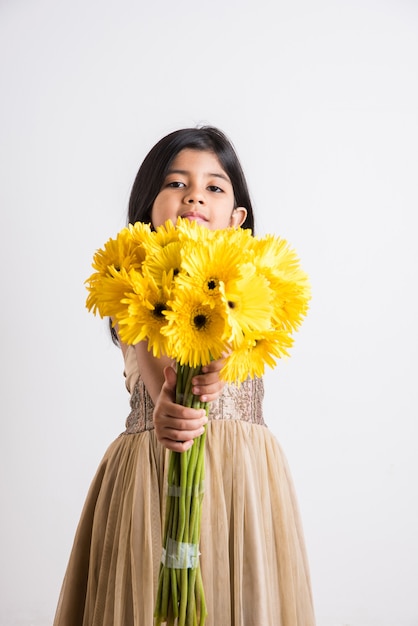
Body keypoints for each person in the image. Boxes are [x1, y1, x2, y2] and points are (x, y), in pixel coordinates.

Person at [53, 126, 316, 626]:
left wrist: (219, 363)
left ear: (237, 219)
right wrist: (171, 398)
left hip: (243, 480)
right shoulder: (134, 287)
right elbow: (160, 377)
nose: (194, 193)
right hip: (155, 473)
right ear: (148, 211)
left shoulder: (256, 286)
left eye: (214, 186)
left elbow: (234, 352)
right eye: (176, 183)